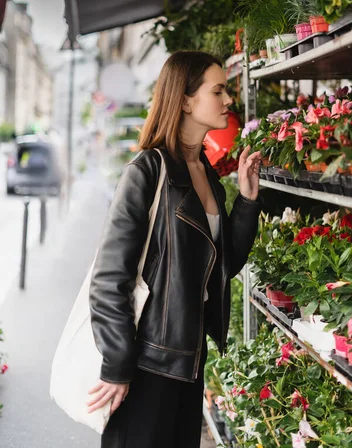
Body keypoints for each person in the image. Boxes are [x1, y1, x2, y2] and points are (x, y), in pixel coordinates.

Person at [88, 51, 262, 448]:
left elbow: (222, 265)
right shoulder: (147, 171)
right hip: (146, 364)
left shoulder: (209, 176)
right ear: (185, 100)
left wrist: (247, 203)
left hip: (189, 359)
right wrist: (117, 366)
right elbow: (109, 278)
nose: (228, 100)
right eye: (217, 90)